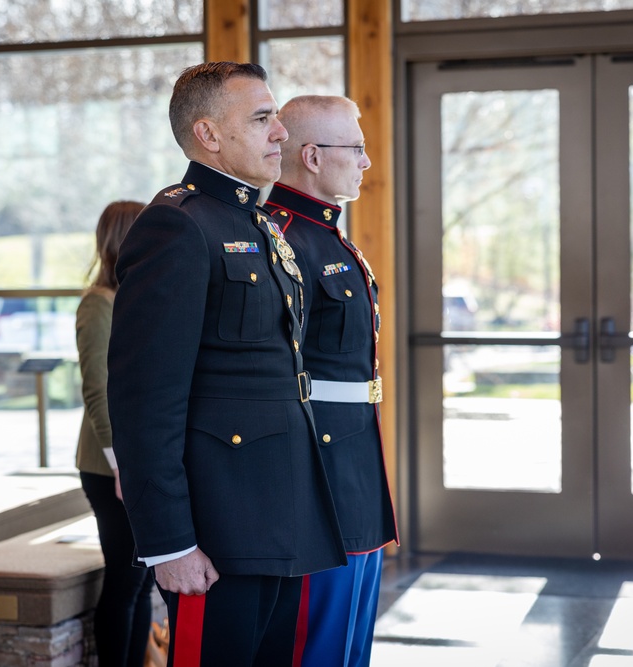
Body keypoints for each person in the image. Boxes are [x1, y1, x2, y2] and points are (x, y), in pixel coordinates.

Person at [106, 62, 347, 666]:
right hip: (218, 535)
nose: (281, 135)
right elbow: (144, 401)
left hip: (279, 519)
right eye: (263, 119)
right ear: (209, 134)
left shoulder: (257, 223)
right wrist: (169, 544)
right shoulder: (177, 227)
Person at [265, 95, 398, 667]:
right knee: (315, 642)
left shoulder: (330, 236)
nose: (367, 162)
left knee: (351, 640)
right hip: (316, 471)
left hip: (354, 460)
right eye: (357, 148)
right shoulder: (282, 239)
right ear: (313, 156)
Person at [74, 200, 154, 666]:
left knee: (142, 582)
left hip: (137, 461)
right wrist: (121, 464)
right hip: (110, 467)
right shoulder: (97, 305)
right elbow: (98, 392)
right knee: (124, 582)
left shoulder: (135, 297)